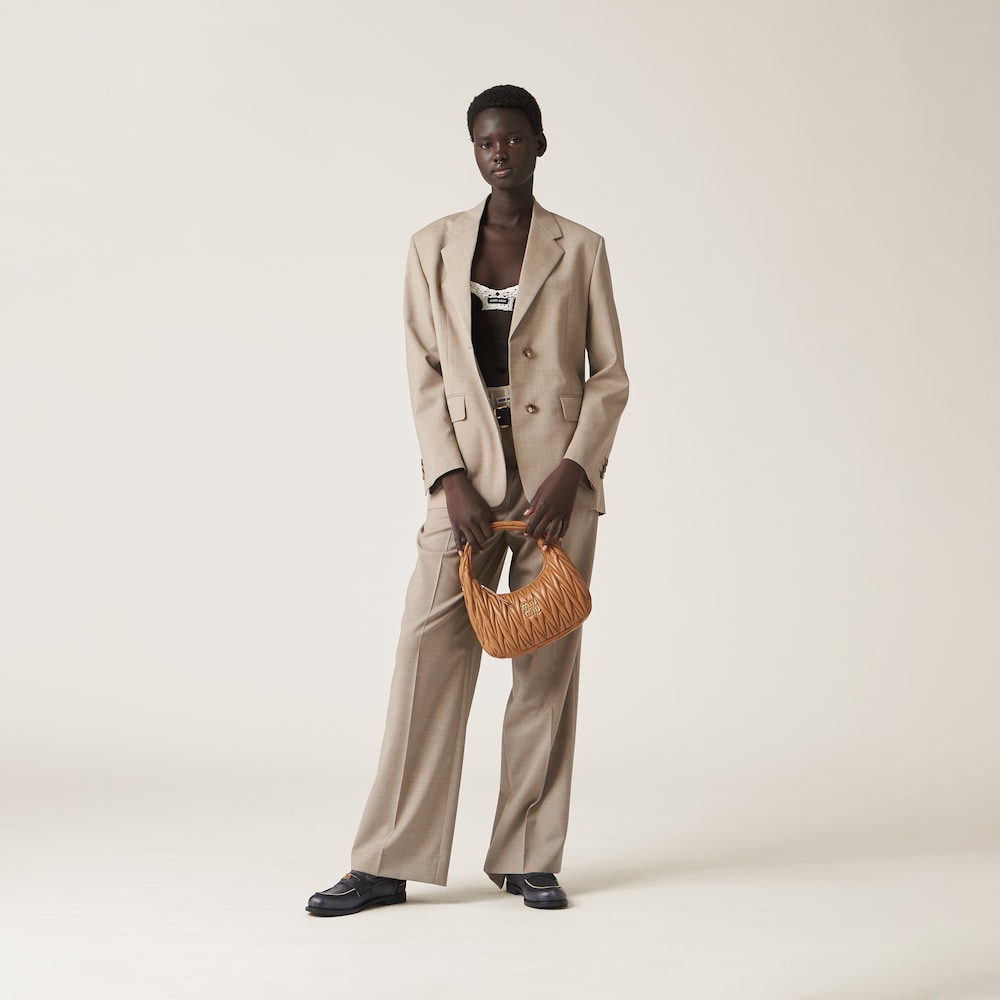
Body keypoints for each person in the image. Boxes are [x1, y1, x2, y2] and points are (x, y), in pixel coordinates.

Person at [306, 84, 628, 915]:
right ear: (474, 150)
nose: (500, 152)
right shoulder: (433, 246)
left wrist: (574, 470)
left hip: (556, 480)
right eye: (487, 142)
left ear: (539, 144)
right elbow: (424, 373)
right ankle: (386, 860)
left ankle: (529, 856)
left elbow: (610, 376)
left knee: (544, 665)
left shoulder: (581, 247)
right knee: (427, 652)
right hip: (467, 479)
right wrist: (448, 478)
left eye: (514, 139)